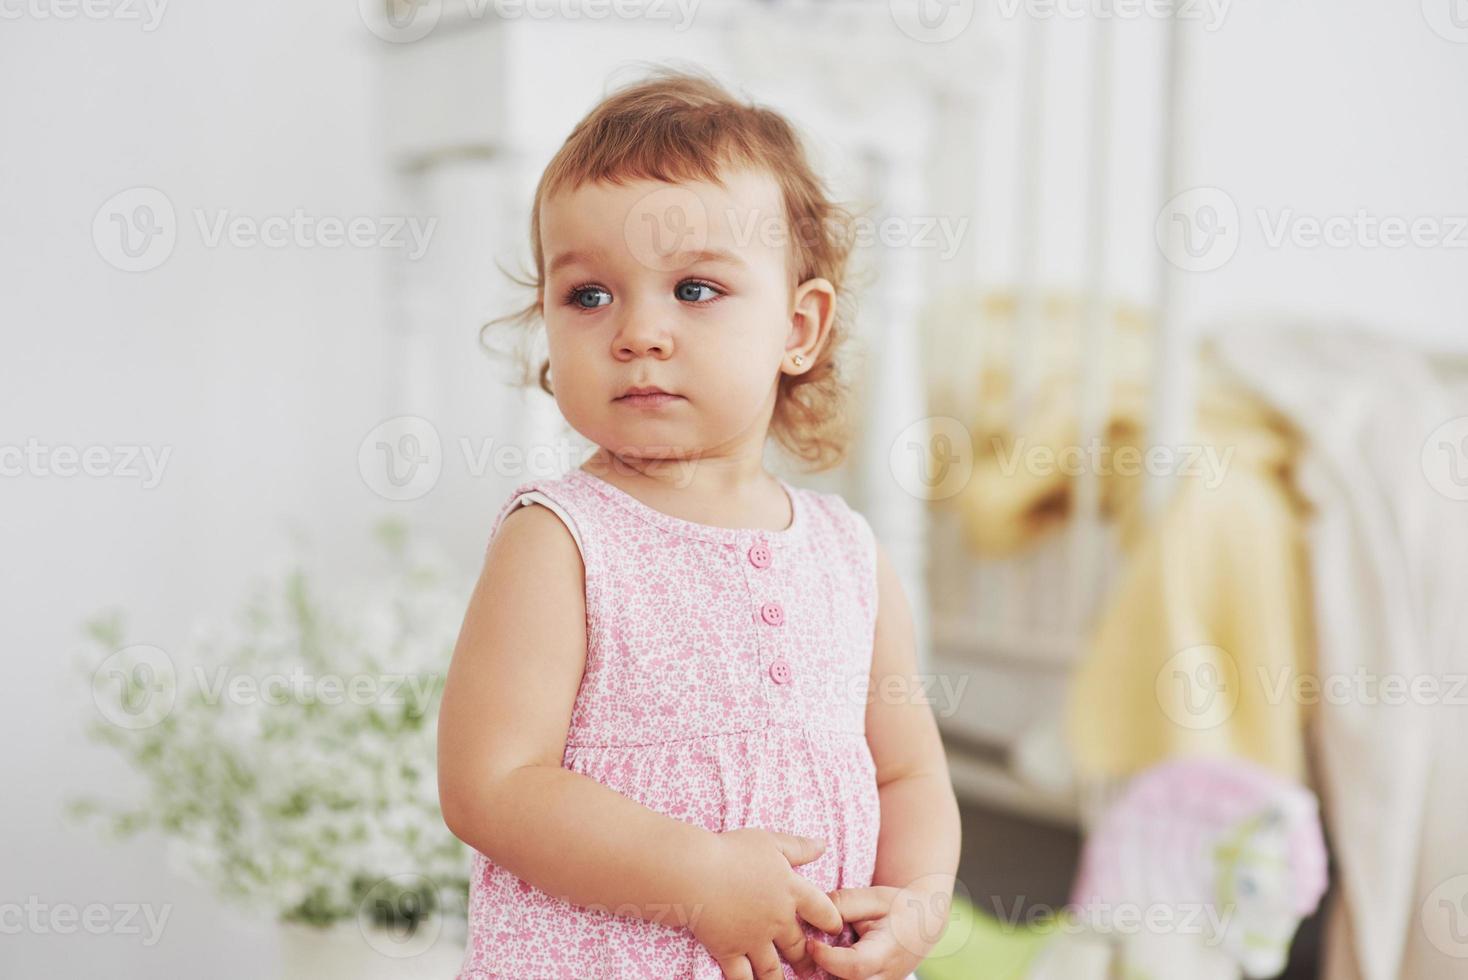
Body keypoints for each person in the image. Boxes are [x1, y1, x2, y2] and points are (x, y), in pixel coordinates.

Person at [437, 64, 960, 980]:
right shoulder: (560, 540)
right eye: (589, 295)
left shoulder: (846, 554)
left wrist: (918, 905)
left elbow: (907, 774)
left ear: (800, 329)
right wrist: (697, 877)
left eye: (694, 289)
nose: (638, 332)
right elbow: (491, 786)